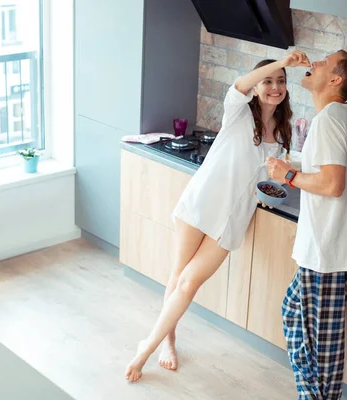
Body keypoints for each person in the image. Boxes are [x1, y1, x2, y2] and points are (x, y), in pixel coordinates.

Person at [125, 51, 311, 383]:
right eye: (268, 81)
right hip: (203, 202)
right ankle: (159, 344)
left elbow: (265, 176)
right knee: (179, 275)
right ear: (257, 87)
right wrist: (281, 63)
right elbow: (243, 82)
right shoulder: (237, 112)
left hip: (233, 219)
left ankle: (149, 343)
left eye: (281, 83)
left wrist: (268, 190)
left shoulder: (282, 134)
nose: (275, 87)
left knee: (189, 282)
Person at [266, 49, 347, 399]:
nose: (314, 64)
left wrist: (289, 174)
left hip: (325, 248)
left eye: (324, 62)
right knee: (297, 315)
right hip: (328, 246)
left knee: (319, 344)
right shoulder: (346, 115)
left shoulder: (330, 120)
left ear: (336, 80)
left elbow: (332, 184)